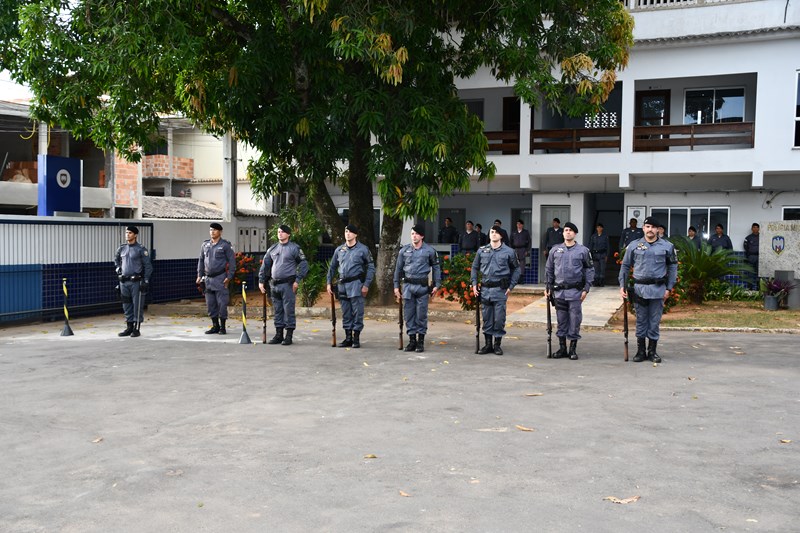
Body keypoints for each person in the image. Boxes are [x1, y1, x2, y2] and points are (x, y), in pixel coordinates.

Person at [619, 216, 678, 363]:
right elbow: (625, 266)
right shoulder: (634, 245)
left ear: (658, 229)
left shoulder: (667, 246)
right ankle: (640, 351)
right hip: (639, 289)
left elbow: (673, 267)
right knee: (641, 320)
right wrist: (622, 285)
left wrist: (669, 288)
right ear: (643, 228)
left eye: (653, 227)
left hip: (658, 289)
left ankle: (652, 351)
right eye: (647, 227)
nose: (650, 229)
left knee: (654, 321)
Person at [545, 222, 594, 360]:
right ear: (562, 232)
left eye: (571, 231)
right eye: (566, 230)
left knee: (574, 319)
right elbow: (549, 270)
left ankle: (572, 349)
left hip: (575, 292)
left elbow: (589, 270)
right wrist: (547, 287)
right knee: (561, 320)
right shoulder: (555, 250)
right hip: (559, 292)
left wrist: (586, 288)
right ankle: (562, 348)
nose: (568, 232)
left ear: (575, 234)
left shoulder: (583, 251)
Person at [471, 225, 521, 356]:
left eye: (496, 232)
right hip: (485, 289)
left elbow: (516, 269)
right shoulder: (482, 250)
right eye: (491, 232)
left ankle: (497, 344)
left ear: (501, 236)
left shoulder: (509, 252)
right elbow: (474, 268)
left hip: (500, 289)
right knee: (487, 318)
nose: (493, 234)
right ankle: (488, 344)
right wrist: (474, 284)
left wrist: (511, 286)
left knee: (499, 319)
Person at [258, 224, 309, 346]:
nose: (280, 233)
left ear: (288, 234)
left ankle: (289, 335)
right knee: (278, 310)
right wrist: (261, 281)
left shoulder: (294, 248)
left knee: (288, 310)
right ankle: (278, 334)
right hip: (274, 285)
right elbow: (265, 266)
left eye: (282, 232)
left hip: (288, 284)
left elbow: (303, 264)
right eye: (278, 231)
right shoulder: (273, 248)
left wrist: (297, 280)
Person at [394, 225, 442, 352]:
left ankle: (420, 341)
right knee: (409, 314)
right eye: (412, 234)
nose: (414, 236)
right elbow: (398, 269)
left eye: (416, 234)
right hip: (408, 286)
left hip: (422, 286)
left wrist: (437, 284)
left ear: (422, 236)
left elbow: (436, 268)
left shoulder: (430, 251)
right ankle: (411, 341)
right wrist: (396, 286)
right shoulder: (404, 251)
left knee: (421, 315)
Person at [326, 225, 376, 348]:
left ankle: (356, 338)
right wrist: (328, 282)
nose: (347, 234)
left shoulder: (363, 249)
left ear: (356, 235)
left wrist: (366, 285)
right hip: (342, 285)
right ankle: (348, 337)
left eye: (350, 232)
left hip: (356, 285)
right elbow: (332, 267)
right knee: (346, 312)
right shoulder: (339, 250)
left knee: (357, 312)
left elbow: (370, 267)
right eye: (346, 231)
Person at [114, 226, 153, 337]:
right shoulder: (121, 248)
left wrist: (145, 280)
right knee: (126, 304)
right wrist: (118, 270)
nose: (127, 235)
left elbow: (148, 266)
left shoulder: (141, 249)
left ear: (135, 235)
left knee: (137, 305)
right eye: (126, 233)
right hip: (124, 281)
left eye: (130, 233)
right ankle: (129, 327)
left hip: (136, 281)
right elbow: (116, 260)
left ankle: (136, 328)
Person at [197, 222, 235, 335]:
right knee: (210, 304)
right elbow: (201, 260)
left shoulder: (225, 245)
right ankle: (215, 326)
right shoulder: (205, 245)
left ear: (220, 232)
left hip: (220, 278)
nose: (212, 232)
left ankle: (223, 327)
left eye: (214, 230)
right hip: (208, 279)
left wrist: (229, 277)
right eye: (210, 230)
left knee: (222, 304)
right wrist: (199, 275)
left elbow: (232, 263)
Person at [587, 223, 610, 287]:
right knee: (596, 269)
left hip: (602, 254)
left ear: (602, 228)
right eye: (598, 227)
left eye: (600, 227)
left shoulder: (605, 236)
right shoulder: (594, 236)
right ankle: (596, 282)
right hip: (595, 254)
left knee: (602, 269)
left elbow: (607, 246)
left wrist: (607, 255)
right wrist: (589, 254)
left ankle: (601, 282)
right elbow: (591, 245)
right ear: (596, 228)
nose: (599, 229)